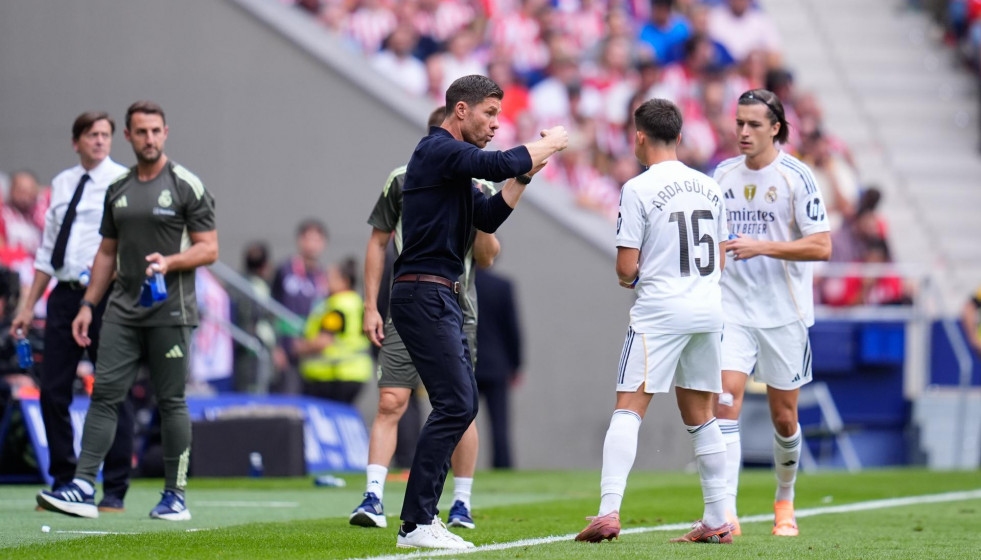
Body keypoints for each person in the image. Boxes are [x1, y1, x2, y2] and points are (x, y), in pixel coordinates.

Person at [390, 74, 567, 550]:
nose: (495, 124)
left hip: (439, 293)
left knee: (458, 402)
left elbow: (487, 217)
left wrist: (526, 175)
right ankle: (416, 523)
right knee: (456, 403)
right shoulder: (438, 150)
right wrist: (545, 145)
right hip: (423, 292)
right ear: (461, 110)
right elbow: (499, 162)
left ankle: (419, 519)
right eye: (490, 113)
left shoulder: (453, 168)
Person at [36, 100, 218, 521]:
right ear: (129, 136)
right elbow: (106, 253)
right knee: (104, 395)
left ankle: (175, 494)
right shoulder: (117, 187)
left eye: (156, 131)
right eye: (141, 132)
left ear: (166, 133)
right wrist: (87, 305)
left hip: (171, 311)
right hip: (120, 309)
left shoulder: (186, 183)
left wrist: (170, 262)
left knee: (170, 401)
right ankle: (83, 484)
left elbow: (209, 248)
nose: (149, 139)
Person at [574, 98, 732, 545]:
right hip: (707, 308)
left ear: (638, 135)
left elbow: (627, 267)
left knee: (629, 407)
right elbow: (719, 257)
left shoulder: (637, 188)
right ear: (680, 137)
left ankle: (607, 511)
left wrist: (639, 276)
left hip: (661, 310)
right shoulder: (709, 185)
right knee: (702, 415)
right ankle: (719, 518)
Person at [350, 106, 501, 533]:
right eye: (486, 118)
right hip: (413, 300)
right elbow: (378, 240)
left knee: (457, 404)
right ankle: (374, 496)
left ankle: (460, 502)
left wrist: (483, 214)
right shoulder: (404, 179)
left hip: (457, 304)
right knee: (392, 400)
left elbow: (487, 258)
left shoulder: (480, 182)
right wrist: (369, 305)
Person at [712, 88, 832, 537]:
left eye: (753, 124)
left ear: (775, 128)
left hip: (784, 314)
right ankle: (725, 511)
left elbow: (822, 245)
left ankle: (785, 498)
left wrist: (761, 246)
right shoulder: (721, 175)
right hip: (733, 311)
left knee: (785, 418)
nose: (742, 131)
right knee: (725, 401)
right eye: (739, 122)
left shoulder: (796, 177)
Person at [11, 111, 134, 513]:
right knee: (51, 389)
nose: (99, 141)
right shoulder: (63, 183)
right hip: (64, 295)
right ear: (75, 141)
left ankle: (114, 488)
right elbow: (47, 250)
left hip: (106, 295)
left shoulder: (122, 181)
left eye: (105, 135)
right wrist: (29, 305)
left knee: (112, 389)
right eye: (91, 135)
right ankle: (64, 480)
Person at [298, 257, 372, 403]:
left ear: (344, 281)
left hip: (335, 375)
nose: (325, 281)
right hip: (356, 372)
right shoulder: (356, 302)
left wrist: (299, 347)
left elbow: (323, 341)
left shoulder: (337, 306)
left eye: (330, 277)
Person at [270, 219, 329, 394]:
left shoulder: (323, 276)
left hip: (312, 351)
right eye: (308, 239)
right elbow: (270, 306)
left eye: (317, 240)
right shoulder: (285, 270)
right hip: (287, 350)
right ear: (300, 241)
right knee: (288, 397)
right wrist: (276, 346)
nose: (312, 245)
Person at [473, 265, 522, 469]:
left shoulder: (458, 284)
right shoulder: (502, 286)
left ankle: (451, 466)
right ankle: (502, 466)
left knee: (457, 421)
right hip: (497, 364)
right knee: (499, 424)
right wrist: (516, 365)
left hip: (466, 362)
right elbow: (512, 328)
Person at [2, 170, 45, 255]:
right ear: (11, 190)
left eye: (30, 191)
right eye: (21, 191)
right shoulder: (3, 215)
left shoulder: (39, 218)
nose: (25, 197)